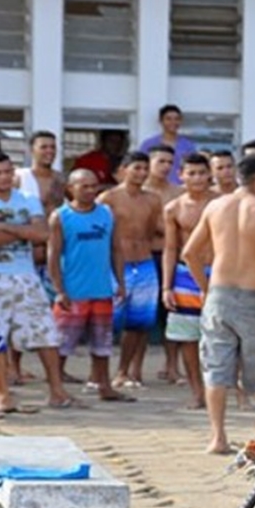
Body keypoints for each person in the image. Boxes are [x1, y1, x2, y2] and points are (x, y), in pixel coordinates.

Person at [182, 154, 255, 454]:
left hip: (219, 294)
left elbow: (190, 253)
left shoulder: (215, 207)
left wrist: (205, 288)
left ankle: (218, 437)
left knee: (216, 365)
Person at [0, 151, 79, 408]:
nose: (4, 177)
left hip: (27, 276)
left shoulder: (28, 199)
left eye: (8, 171)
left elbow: (43, 234)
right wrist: (25, 234)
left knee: (45, 331)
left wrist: (7, 228)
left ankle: (57, 391)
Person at [48, 169, 133, 403]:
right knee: (62, 343)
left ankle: (104, 386)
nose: (90, 191)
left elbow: (116, 249)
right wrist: (60, 290)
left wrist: (120, 282)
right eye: (84, 186)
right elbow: (53, 256)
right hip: (73, 292)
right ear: (70, 188)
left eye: (94, 186)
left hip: (102, 290)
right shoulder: (61, 217)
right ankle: (56, 389)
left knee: (102, 342)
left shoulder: (106, 213)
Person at [98, 152, 163, 388]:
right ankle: (101, 373)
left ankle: (130, 371)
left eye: (145, 168)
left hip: (145, 262)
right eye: (137, 168)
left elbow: (159, 229)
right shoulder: (108, 198)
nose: (142, 173)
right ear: (124, 169)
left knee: (141, 322)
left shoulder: (153, 200)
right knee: (106, 322)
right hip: (117, 264)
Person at [161, 153, 218, 409]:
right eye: (191, 173)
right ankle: (198, 392)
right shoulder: (174, 208)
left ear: (210, 175)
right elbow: (171, 249)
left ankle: (223, 389)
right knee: (187, 337)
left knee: (223, 332)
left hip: (219, 271)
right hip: (185, 276)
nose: (196, 178)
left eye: (201, 173)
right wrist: (167, 286)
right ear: (181, 176)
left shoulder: (221, 203)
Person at [14, 130, 66, 383]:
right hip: (24, 253)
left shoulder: (60, 179)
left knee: (54, 315)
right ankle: (14, 367)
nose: (49, 151)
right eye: (43, 147)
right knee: (16, 313)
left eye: (52, 147)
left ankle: (57, 370)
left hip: (52, 253)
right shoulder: (19, 178)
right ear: (32, 149)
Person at [144, 144, 184, 385]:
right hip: (147, 256)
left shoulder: (178, 192)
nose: (165, 166)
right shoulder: (142, 192)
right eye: (161, 161)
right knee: (143, 316)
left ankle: (171, 365)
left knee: (174, 311)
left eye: (170, 162)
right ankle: (132, 369)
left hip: (172, 256)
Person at [139, 104, 196, 185]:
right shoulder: (148, 144)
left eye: (177, 119)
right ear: (160, 121)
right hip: (153, 188)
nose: (173, 122)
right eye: (168, 119)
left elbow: (192, 168)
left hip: (179, 189)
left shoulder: (188, 145)